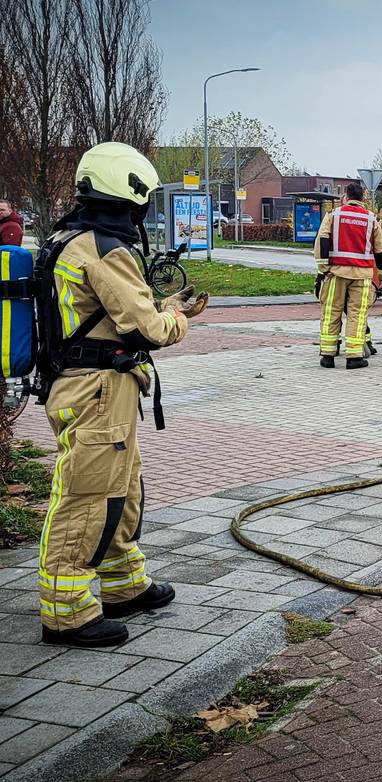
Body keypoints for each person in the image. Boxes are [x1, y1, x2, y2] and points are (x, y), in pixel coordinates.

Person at [36, 142, 207, 648]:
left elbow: (110, 311)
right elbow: (146, 328)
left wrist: (160, 303)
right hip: (95, 389)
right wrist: (176, 317)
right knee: (88, 497)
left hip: (96, 386)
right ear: (129, 195)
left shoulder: (74, 236)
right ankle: (65, 610)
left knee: (123, 489)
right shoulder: (106, 248)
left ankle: (123, 583)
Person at [315, 182, 382, 369]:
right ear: (363, 198)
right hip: (362, 276)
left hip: (336, 273)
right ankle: (354, 357)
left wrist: (323, 268)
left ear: (346, 196)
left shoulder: (333, 215)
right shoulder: (371, 219)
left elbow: (322, 239)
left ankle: (328, 356)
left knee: (331, 312)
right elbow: (380, 251)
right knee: (357, 314)